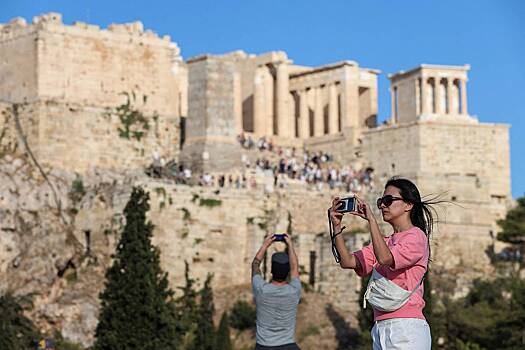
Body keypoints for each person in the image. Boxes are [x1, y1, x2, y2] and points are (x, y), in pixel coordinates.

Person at [329, 177, 437, 349]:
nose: (382, 206)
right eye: (381, 201)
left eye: (388, 200)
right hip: (380, 327)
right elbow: (347, 261)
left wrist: (372, 221)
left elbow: (386, 259)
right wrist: (336, 226)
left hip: (406, 327)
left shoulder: (416, 237)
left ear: (408, 205)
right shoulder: (385, 242)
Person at [251, 234, 301, 350]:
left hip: (263, 346)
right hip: (288, 346)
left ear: (272, 271)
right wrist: (290, 245)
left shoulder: (261, 289)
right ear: (287, 272)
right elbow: (295, 268)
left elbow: (255, 265)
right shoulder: (294, 291)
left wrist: (265, 245)